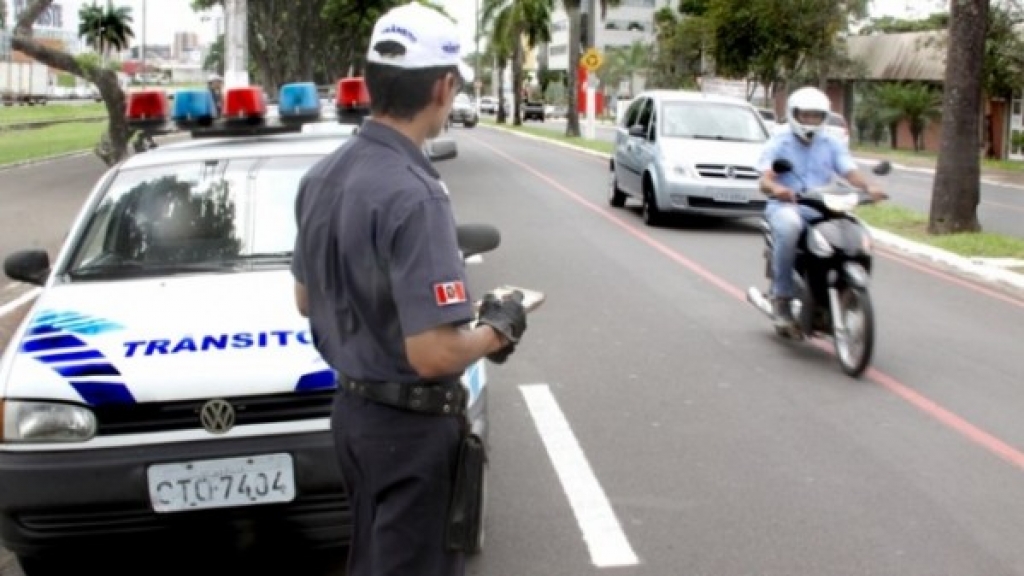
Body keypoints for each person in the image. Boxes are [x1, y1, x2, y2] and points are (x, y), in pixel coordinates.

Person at [290, 3, 529, 575]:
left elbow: (305, 298)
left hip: (352, 417)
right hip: (409, 434)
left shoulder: (323, 174)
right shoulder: (416, 194)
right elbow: (435, 353)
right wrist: (499, 326)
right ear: (443, 87)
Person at [757, 86, 886, 333]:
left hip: (822, 206)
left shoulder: (831, 142)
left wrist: (869, 187)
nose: (810, 121)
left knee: (855, 234)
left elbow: (849, 171)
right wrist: (777, 189)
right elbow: (765, 180)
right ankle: (781, 298)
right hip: (789, 206)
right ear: (794, 114)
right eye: (805, 115)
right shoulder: (780, 142)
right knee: (790, 227)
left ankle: (840, 291)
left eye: (816, 116)